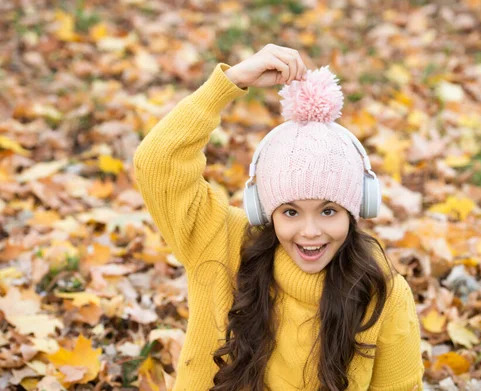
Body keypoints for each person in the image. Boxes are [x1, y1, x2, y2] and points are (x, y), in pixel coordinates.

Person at [133, 43, 424, 391]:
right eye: (290, 211)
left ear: (356, 210)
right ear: (264, 211)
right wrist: (229, 82)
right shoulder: (220, 241)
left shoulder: (383, 293)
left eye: (328, 210)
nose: (310, 231)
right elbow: (157, 162)